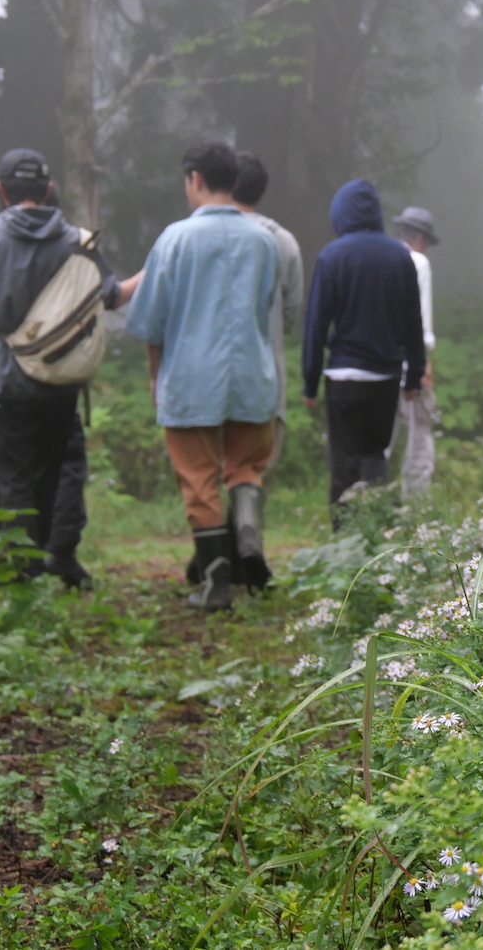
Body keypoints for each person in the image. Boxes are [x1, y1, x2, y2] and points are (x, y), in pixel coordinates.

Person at [0, 148, 134, 590]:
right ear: (49, 189)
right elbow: (108, 295)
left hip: (2, 384)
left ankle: (19, 573)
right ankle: (59, 558)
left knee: (9, 477)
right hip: (60, 383)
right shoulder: (78, 242)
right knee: (59, 470)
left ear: (0, 191)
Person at [124, 141, 281, 612]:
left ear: (194, 179)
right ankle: (248, 529)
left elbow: (152, 320)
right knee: (245, 465)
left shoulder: (174, 239)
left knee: (198, 478)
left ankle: (216, 586)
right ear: (234, 181)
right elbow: (263, 308)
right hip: (252, 373)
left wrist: (156, 376)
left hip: (191, 376)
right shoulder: (263, 240)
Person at [302, 180, 426, 524]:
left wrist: (310, 381)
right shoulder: (400, 256)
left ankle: (344, 541)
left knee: (343, 460)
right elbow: (412, 322)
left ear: (339, 212)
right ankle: (382, 538)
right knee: (375, 455)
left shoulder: (332, 256)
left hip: (343, 377)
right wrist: (413, 375)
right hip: (386, 377)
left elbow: (316, 324)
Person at [232, 152, 304, 464]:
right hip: (265, 371)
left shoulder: (195, 235)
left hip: (207, 378)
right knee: (255, 469)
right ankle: (248, 510)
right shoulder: (283, 241)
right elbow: (291, 312)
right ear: (261, 191)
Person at [387, 206, 439, 498]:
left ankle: (371, 502)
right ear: (419, 237)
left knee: (383, 437)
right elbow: (422, 318)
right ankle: (416, 504)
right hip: (411, 362)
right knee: (418, 436)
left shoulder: (380, 259)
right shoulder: (418, 262)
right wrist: (424, 363)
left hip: (379, 362)